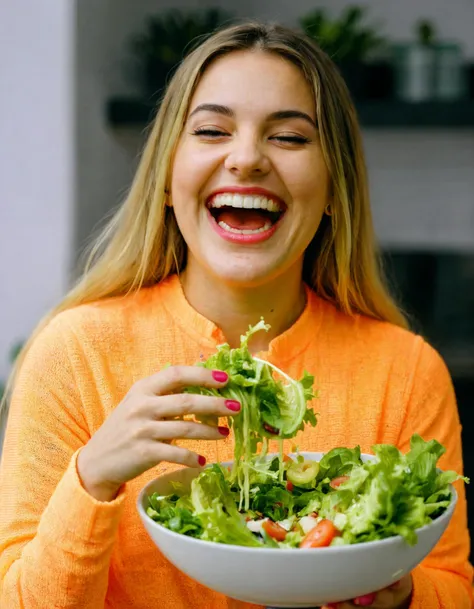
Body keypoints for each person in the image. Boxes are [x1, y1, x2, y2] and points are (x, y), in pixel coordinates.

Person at [0, 21, 471, 609]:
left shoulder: (406, 373)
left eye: (291, 138)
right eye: (212, 130)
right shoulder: (73, 353)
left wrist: (399, 595)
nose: (246, 159)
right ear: (168, 181)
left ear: (333, 189)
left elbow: (452, 588)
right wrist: (92, 476)